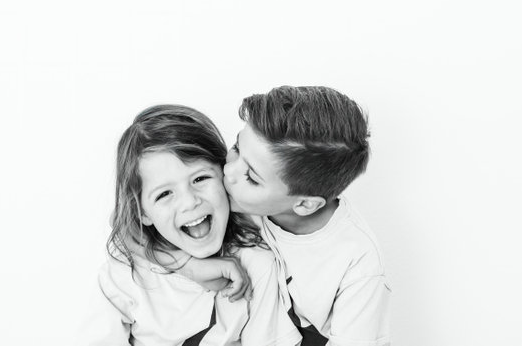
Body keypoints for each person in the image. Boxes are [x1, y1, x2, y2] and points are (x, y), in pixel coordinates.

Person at [79, 104, 301, 346]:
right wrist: (188, 265)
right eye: (164, 194)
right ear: (143, 213)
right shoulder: (123, 277)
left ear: (224, 175)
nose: (189, 202)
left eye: (200, 178)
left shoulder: (257, 263)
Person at [222, 85, 391, 346]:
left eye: (252, 178)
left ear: (305, 205)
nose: (229, 171)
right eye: (236, 147)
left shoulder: (357, 260)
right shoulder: (230, 197)